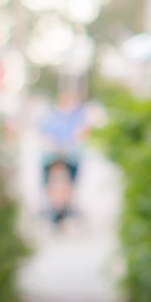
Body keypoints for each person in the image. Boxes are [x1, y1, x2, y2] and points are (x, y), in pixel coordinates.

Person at [38, 89, 88, 225]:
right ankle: (54, 202)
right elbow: (44, 134)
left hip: (70, 155)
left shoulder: (76, 117)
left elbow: (81, 133)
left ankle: (65, 200)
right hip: (52, 155)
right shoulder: (51, 117)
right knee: (49, 175)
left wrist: (74, 141)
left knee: (71, 176)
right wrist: (51, 144)